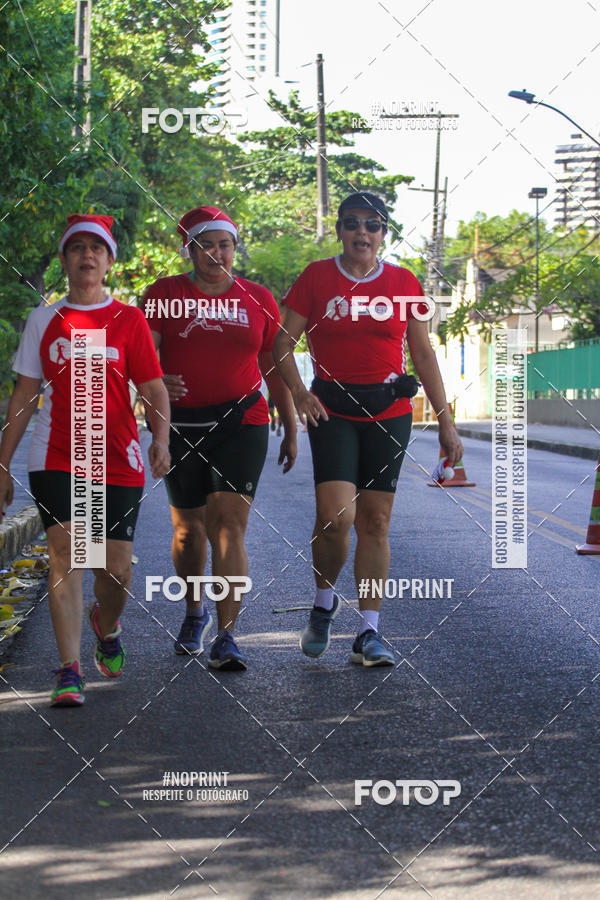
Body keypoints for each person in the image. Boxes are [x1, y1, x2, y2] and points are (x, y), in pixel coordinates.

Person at [273, 192, 463, 666]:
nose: (363, 233)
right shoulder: (317, 277)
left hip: (389, 411)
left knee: (376, 521)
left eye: (373, 225)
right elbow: (280, 343)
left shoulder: (402, 282)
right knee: (336, 517)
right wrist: (299, 392)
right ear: (339, 229)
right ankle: (323, 603)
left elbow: (422, 354)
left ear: (384, 234)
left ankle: (369, 631)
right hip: (332, 411)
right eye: (353, 223)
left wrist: (446, 421)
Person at [0, 214, 170, 706]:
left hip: (116, 457)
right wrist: (3, 461)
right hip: (56, 454)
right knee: (68, 554)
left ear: (110, 260)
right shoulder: (44, 319)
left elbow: (153, 386)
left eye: (97, 248)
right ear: (65, 259)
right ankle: (69, 669)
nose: (87, 256)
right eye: (77, 248)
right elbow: (25, 396)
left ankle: (107, 621)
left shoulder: (129, 320)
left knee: (114, 569)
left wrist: (161, 438)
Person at [144, 205, 297, 670]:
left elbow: (272, 365)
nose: (216, 253)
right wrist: (151, 382)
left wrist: (290, 424)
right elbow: (141, 355)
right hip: (180, 423)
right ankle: (195, 613)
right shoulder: (163, 293)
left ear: (235, 248)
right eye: (206, 244)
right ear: (189, 249)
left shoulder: (259, 298)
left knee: (229, 525)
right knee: (189, 532)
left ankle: (228, 635)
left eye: (225, 244)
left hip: (242, 419)